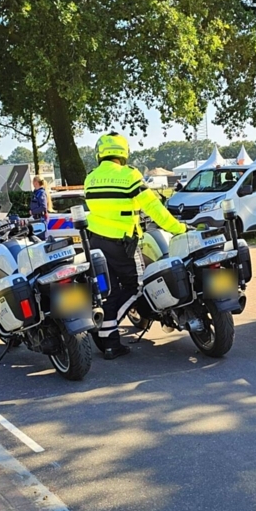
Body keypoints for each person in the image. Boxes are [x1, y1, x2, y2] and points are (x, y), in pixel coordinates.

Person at [85, 133, 186, 359]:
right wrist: (178, 228)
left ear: (100, 152)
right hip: (123, 246)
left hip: (96, 244)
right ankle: (105, 330)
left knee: (108, 291)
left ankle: (109, 340)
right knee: (137, 287)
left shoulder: (90, 177)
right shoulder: (129, 175)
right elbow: (153, 208)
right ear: (124, 151)